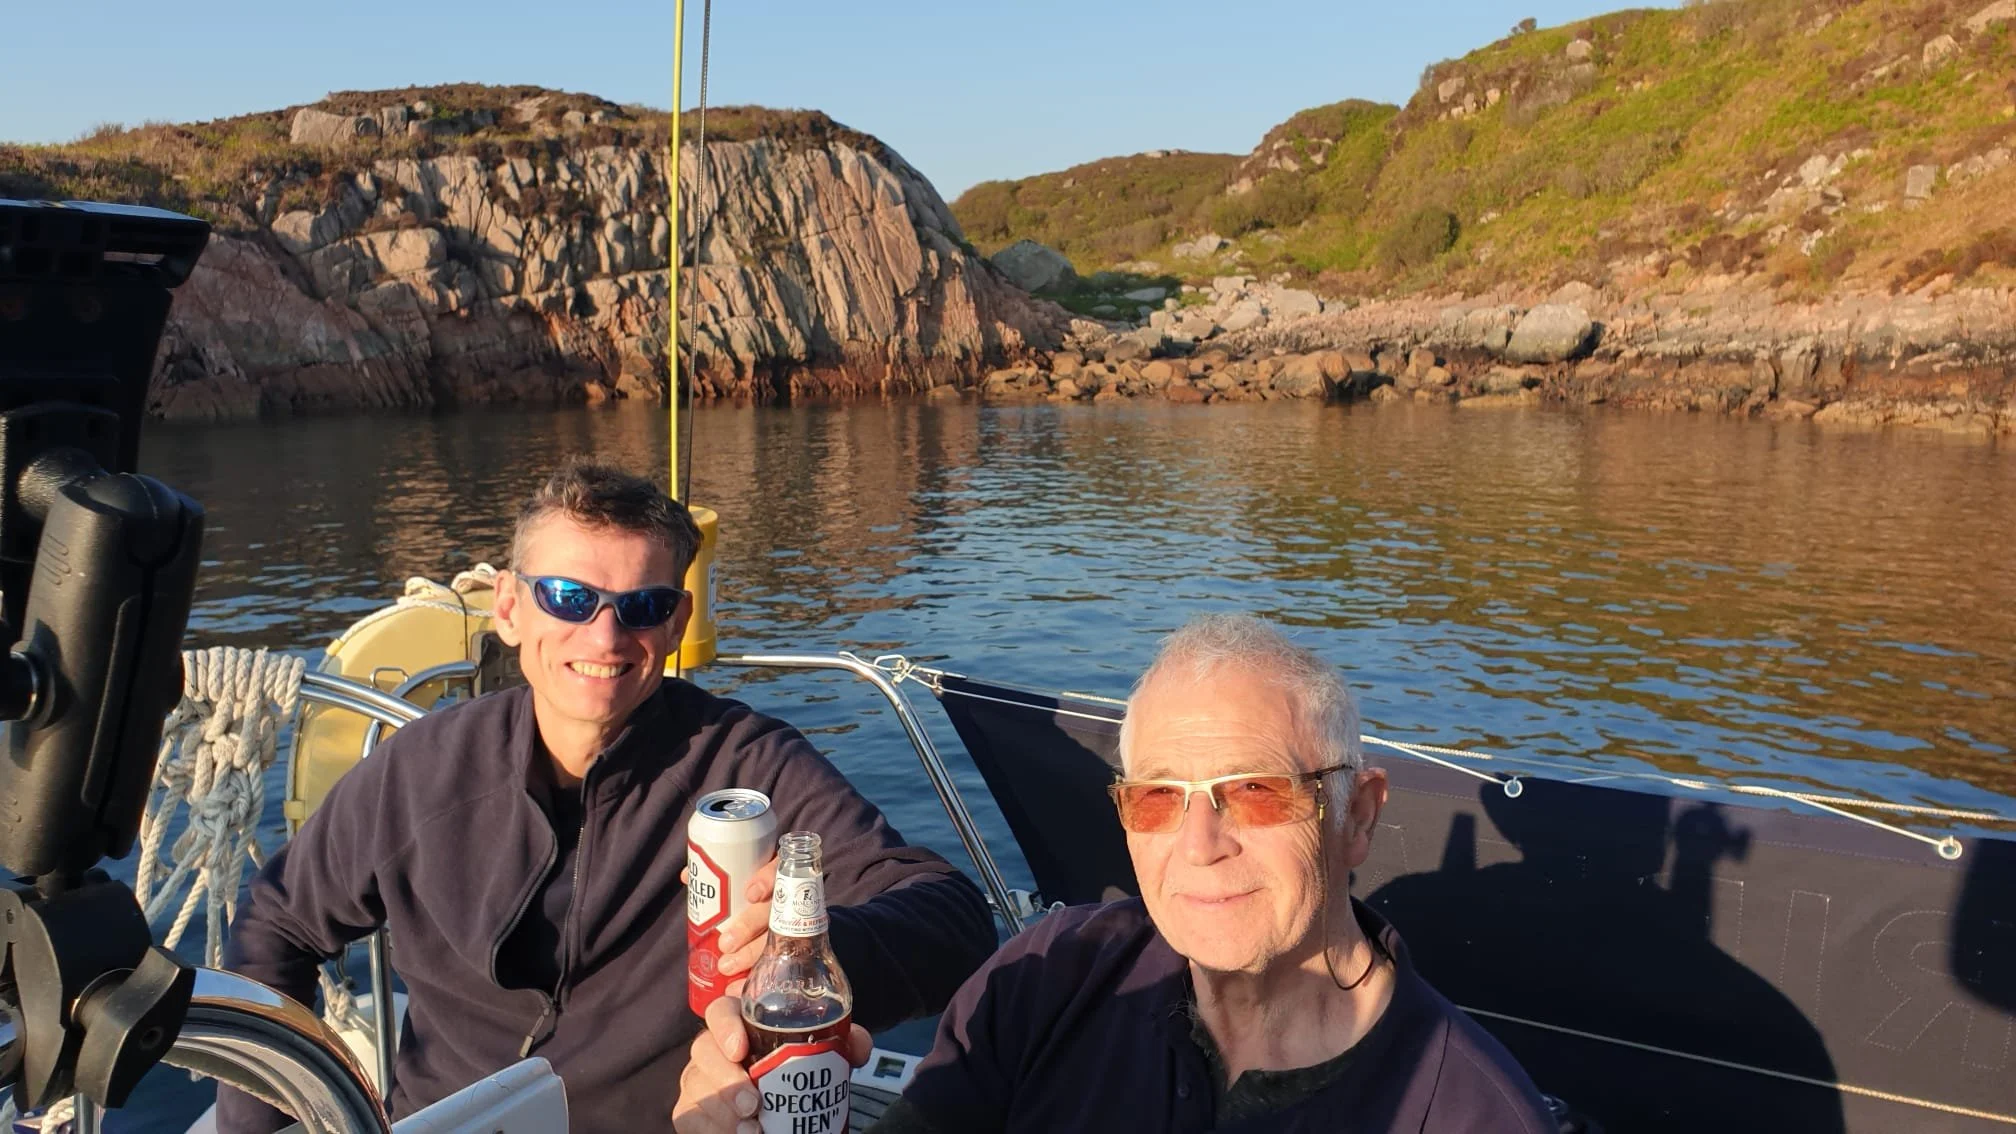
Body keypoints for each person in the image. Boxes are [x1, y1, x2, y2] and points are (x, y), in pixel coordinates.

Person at [218, 462, 995, 1133]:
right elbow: (277, 920)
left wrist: (810, 950)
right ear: (510, 610)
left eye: (643, 607)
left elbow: (951, 919)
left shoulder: (744, 766)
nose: (604, 637)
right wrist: (271, 1121)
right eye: (568, 596)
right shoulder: (421, 770)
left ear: (677, 622)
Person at [679, 613, 1556, 1133]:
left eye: (1252, 792)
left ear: (1357, 814)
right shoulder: (1046, 980)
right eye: (1158, 800)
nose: (1200, 841)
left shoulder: (1465, 1110)